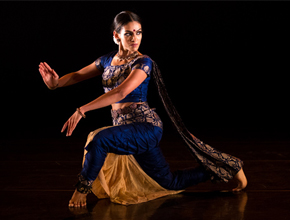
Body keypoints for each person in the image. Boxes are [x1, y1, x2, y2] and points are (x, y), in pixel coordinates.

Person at [39, 11, 247, 207]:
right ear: (116, 36)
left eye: (138, 32)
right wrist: (56, 84)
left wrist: (82, 110)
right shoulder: (106, 60)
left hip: (146, 128)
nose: (134, 38)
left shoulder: (143, 62)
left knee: (99, 140)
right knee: (170, 182)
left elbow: (121, 92)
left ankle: (81, 190)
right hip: (126, 130)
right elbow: (76, 75)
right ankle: (228, 168)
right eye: (128, 33)